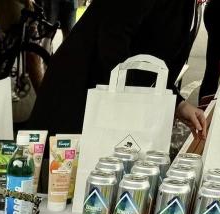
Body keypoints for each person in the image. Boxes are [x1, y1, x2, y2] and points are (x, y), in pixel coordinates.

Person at [29, 0, 207, 142]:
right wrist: (136, 102)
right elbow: (113, 40)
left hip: (110, 102)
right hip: (81, 96)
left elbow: (150, 55)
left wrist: (178, 104)